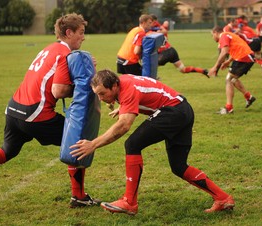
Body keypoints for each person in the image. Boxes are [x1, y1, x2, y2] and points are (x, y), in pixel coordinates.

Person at [0, 13, 100, 208]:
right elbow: (59, 90)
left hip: (14, 108)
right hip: (36, 113)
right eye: (81, 32)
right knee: (77, 143)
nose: (83, 37)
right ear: (69, 32)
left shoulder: (48, 49)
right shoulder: (65, 54)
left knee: (7, 150)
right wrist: (82, 82)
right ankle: (78, 196)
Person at [69, 69, 235, 215]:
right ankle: (223, 198)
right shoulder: (123, 83)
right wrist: (126, 106)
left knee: (132, 144)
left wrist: (93, 144)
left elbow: (123, 126)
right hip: (183, 110)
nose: (100, 98)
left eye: (102, 93)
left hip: (172, 112)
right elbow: (145, 93)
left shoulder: (127, 89)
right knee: (179, 167)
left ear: (114, 86)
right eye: (97, 94)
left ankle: (129, 202)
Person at [208, 26, 256, 114]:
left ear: (215, 32)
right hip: (245, 57)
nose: (212, 37)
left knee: (229, 80)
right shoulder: (228, 35)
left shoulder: (223, 36)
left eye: (212, 35)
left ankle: (229, 108)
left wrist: (215, 67)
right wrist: (228, 61)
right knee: (233, 80)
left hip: (244, 57)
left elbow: (224, 52)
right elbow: (236, 47)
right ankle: (249, 97)